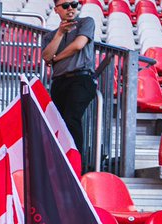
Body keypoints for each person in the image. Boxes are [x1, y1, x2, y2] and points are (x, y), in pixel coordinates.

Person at [41, 0, 96, 151]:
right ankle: (63, 161)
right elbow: (46, 56)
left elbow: (78, 45)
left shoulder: (86, 22)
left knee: (71, 119)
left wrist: (56, 58)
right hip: (60, 82)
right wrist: (59, 33)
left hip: (81, 78)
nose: (70, 8)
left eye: (74, 4)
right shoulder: (50, 36)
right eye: (65, 6)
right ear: (56, 10)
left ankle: (76, 163)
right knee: (60, 123)